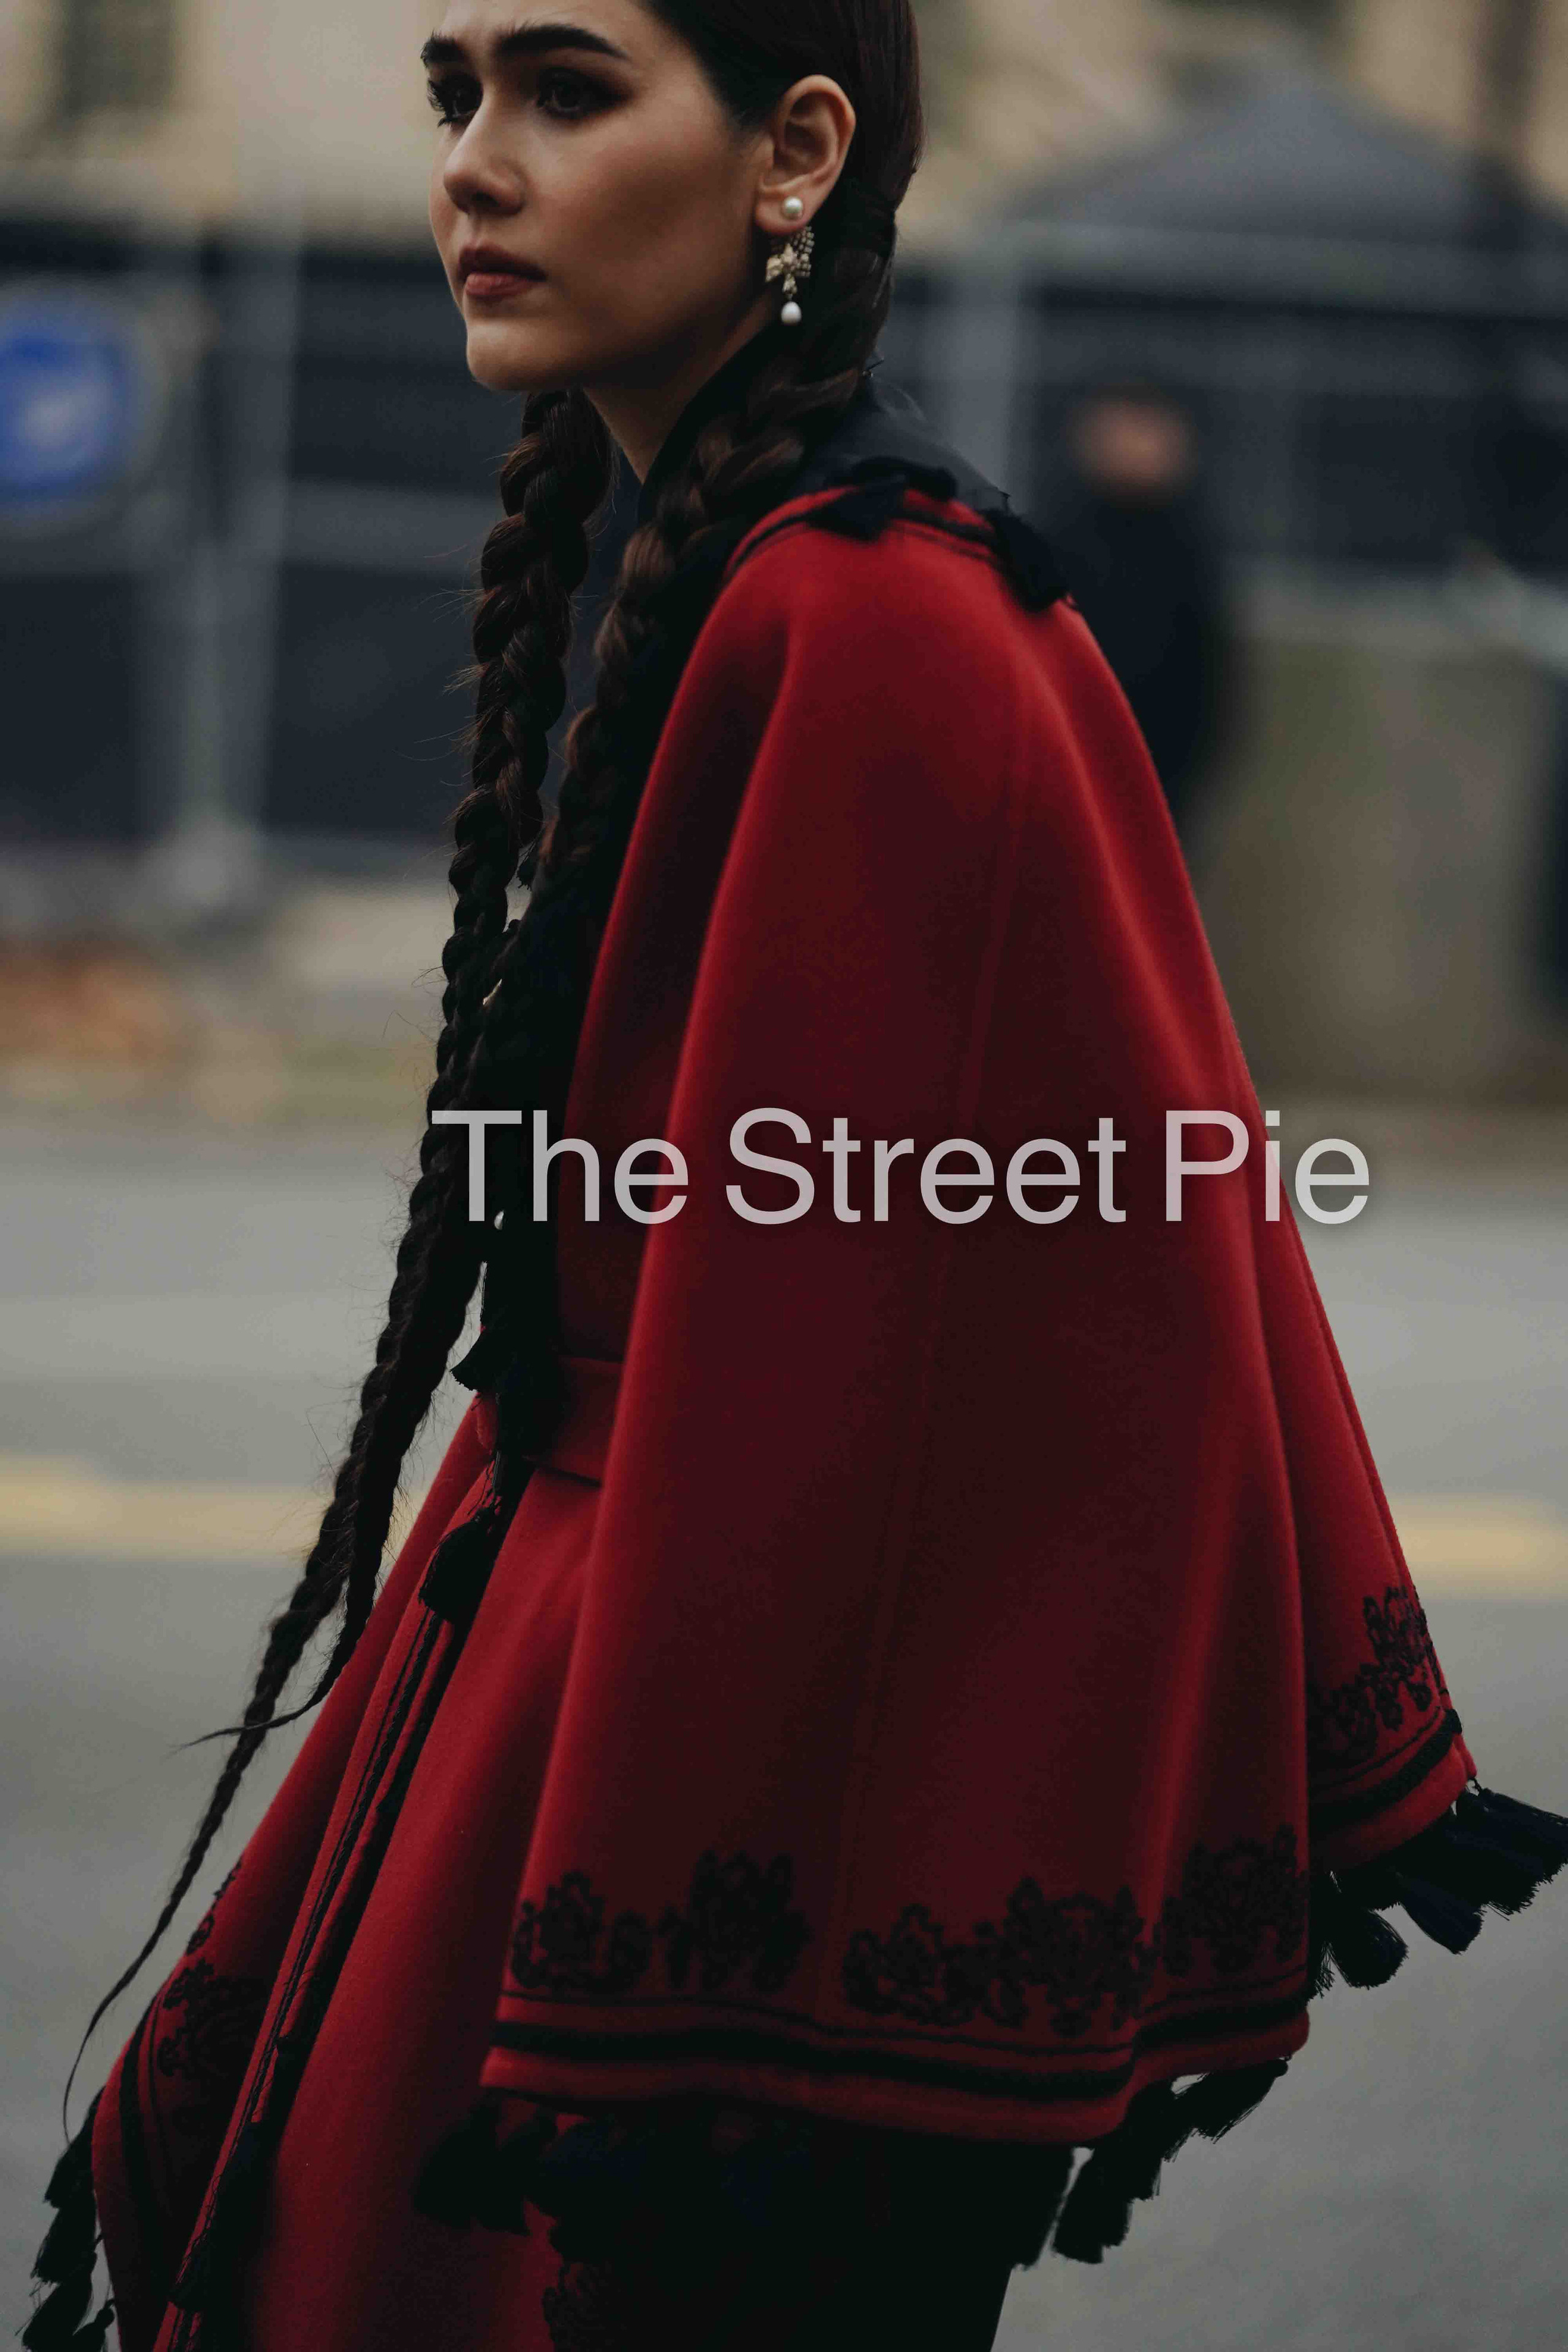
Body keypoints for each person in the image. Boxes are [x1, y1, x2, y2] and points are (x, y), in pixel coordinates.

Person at [23, 4, 1567, 2349]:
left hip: (703, 1795)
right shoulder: (748, 576)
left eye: (563, 88)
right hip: (541, 1657)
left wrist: (710, 1988)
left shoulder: (882, 623)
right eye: (456, 96)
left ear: (794, 153)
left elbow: (1013, 1355)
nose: (472, 165)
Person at [1044, 382, 1234, 846]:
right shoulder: (1060, 537)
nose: (1134, 443)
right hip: (1065, 763)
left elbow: (1208, 671)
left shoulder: (1189, 548)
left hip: (1159, 775)